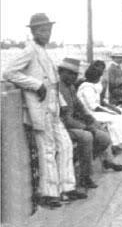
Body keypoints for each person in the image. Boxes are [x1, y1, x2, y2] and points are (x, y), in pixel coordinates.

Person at [3, 13, 84, 208]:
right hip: (40, 109)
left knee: (65, 145)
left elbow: (53, 84)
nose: (46, 34)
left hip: (53, 108)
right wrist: (35, 84)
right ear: (33, 32)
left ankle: (67, 187)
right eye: (41, 30)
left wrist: (60, 102)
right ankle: (49, 192)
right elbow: (8, 72)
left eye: (48, 30)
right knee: (47, 149)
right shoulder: (29, 51)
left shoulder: (44, 52)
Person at [58, 58, 122, 190]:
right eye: (70, 73)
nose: (73, 77)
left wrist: (91, 120)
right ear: (61, 72)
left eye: (75, 74)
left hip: (74, 123)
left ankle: (98, 161)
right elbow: (65, 119)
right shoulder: (57, 88)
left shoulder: (71, 87)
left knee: (103, 137)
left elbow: (80, 107)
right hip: (62, 127)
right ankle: (85, 176)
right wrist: (86, 127)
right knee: (87, 137)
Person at [78, 61, 122, 150]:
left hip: (97, 109)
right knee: (115, 118)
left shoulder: (93, 85)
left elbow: (101, 101)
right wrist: (109, 112)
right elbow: (94, 107)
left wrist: (113, 109)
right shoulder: (86, 88)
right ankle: (115, 142)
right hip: (90, 112)